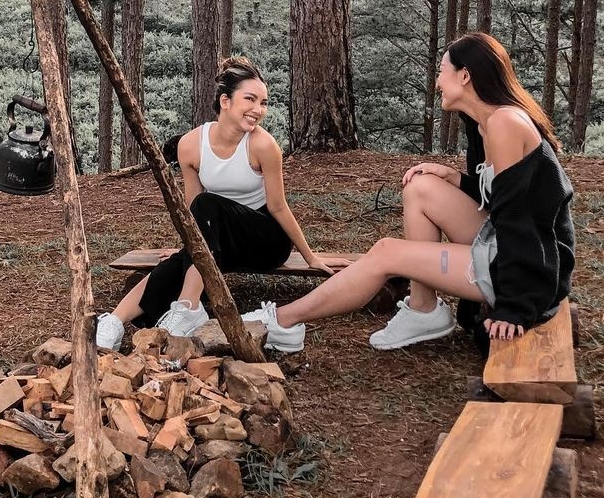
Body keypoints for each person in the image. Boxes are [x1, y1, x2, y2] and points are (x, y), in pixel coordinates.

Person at [242, 32, 575, 354]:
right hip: (507, 243)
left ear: (465, 76)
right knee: (420, 186)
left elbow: (520, 219)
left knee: (387, 252)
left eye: (442, 71)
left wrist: (515, 307)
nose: (437, 82)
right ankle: (423, 309)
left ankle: (283, 321)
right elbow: (500, 196)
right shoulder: (483, 123)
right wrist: (453, 177)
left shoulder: (505, 123)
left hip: (534, 268)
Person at [95, 57, 332, 349]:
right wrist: (187, 245)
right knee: (181, 258)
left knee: (206, 207)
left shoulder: (263, 145)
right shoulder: (191, 145)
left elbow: (278, 207)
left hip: (265, 240)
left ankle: (188, 307)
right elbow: (191, 207)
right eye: (250, 99)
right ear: (225, 101)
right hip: (219, 238)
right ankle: (114, 322)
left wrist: (310, 257)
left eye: (264, 102)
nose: (258, 109)